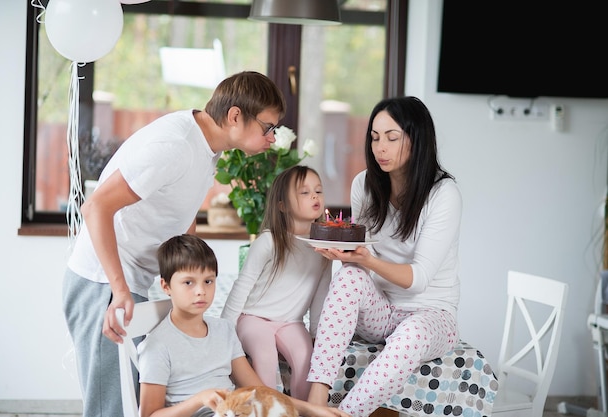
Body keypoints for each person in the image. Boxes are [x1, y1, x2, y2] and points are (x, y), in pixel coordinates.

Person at [61, 71, 287, 417]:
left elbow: (181, 216)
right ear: (235, 116)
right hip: (102, 280)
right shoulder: (176, 145)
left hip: (128, 280)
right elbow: (95, 207)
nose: (272, 138)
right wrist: (119, 291)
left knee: (132, 403)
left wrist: (189, 278)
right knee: (111, 407)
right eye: (268, 127)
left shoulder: (205, 148)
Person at [306, 96, 462, 417]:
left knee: (412, 334)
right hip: (382, 311)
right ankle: (316, 404)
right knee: (348, 276)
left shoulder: (443, 193)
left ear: (417, 139)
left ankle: (346, 415)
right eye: (375, 137)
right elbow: (363, 262)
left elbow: (418, 280)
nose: (380, 147)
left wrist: (365, 259)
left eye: (392, 137)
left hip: (431, 314)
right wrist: (345, 255)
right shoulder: (364, 184)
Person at [138, 234, 350, 417]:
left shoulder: (224, 330)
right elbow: (149, 415)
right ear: (166, 286)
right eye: (188, 282)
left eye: (208, 281)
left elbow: (259, 390)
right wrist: (200, 399)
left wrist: (311, 409)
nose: (200, 291)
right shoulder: (157, 345)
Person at [221, 165, 332, 401]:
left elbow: (320, 296)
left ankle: (302, 410)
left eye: (318, 191)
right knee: (265, 355)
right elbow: (242, 286)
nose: (314, 196)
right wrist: (224, 331)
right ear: (282, 205)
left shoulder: (323, 248)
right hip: (253, 318)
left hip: (291, 322)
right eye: (304, 192)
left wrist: (315, 334)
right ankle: (265, 409)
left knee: (306, 357)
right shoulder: (269, 241)